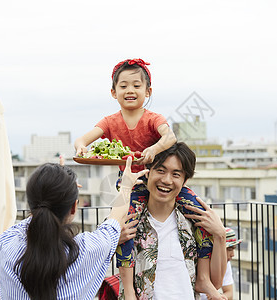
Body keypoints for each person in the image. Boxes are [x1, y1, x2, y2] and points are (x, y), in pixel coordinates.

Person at [73, 59, 214, 292]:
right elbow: (82, 140)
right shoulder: (109, 122)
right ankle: (128, 289)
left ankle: (204, 279)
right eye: (124, 86)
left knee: (201, 214)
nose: (130, 90)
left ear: (148, 91)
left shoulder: (153, 118)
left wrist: (154, 149)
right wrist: (81, 148)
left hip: (159, 181)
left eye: (137, 85)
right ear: (113, 92)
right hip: (131, 183)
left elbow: (170, 138)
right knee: (124, 228)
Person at [0, 157, 147, 300]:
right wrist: (126, 185)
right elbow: (117, 217)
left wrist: (55, 187)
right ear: (74, 207)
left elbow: (39, 213)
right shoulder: (88, 249)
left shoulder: (5, 244)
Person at [118, 142, 227, 300]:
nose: (167, 180)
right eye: (160, 171)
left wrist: (220, 235)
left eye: (176, 174)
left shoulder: (194, 222)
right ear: (148, 173)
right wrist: (113, 239)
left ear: (184, 181)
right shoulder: (129, 221)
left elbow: (215, 283)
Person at [200, 228, 242, 300]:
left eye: (233, 249)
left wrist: (217, 296)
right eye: (229, 249)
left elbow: (229, 293)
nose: (233, 254)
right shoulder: (201, 261)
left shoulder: (226, 264)